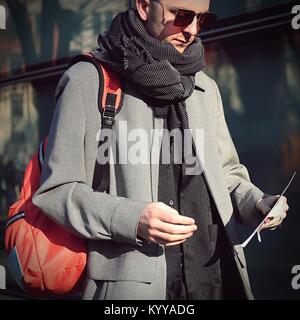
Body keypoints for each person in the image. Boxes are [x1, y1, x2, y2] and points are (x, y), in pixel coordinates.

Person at [33, 0, 289, 300]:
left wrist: (257, 202)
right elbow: (57, 191)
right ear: (144, 6)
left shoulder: (205, 87)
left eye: (203, 20)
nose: (192, 30)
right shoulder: (87, 81)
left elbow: (225, 176)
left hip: (217, 280)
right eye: (181, 17)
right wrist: (134, 219)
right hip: (134, 289)